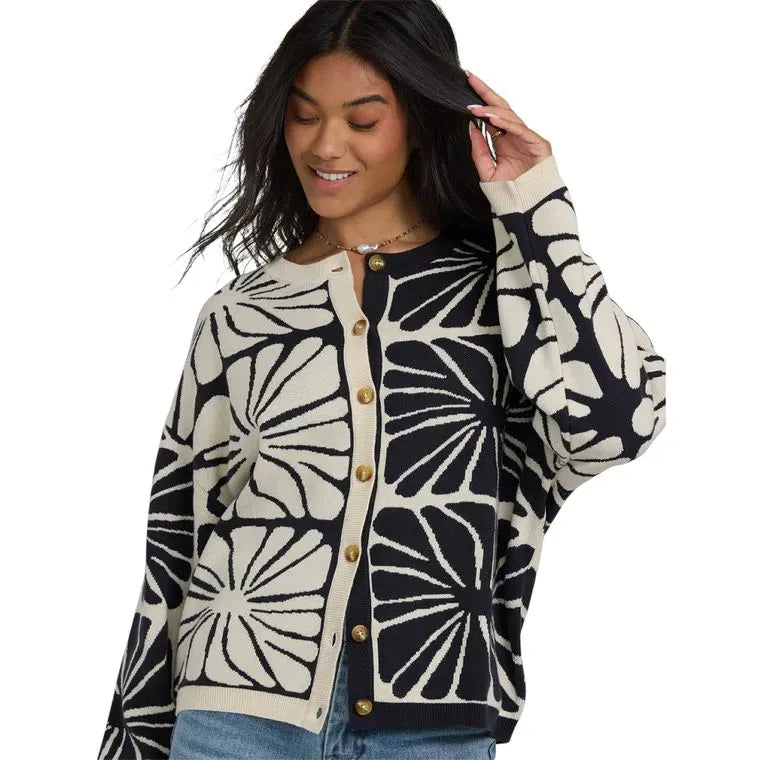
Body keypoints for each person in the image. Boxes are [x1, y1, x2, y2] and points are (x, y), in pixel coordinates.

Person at [97, 1, 666, 758]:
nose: (325, 145)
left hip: (432, 720)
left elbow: (620, 424)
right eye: (303, 116)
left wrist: (536, 206)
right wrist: (133, 740)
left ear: (420, 123)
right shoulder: (240, 315)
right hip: (234, 714)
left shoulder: (500, 297)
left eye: (362, 120)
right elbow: (176, 541)